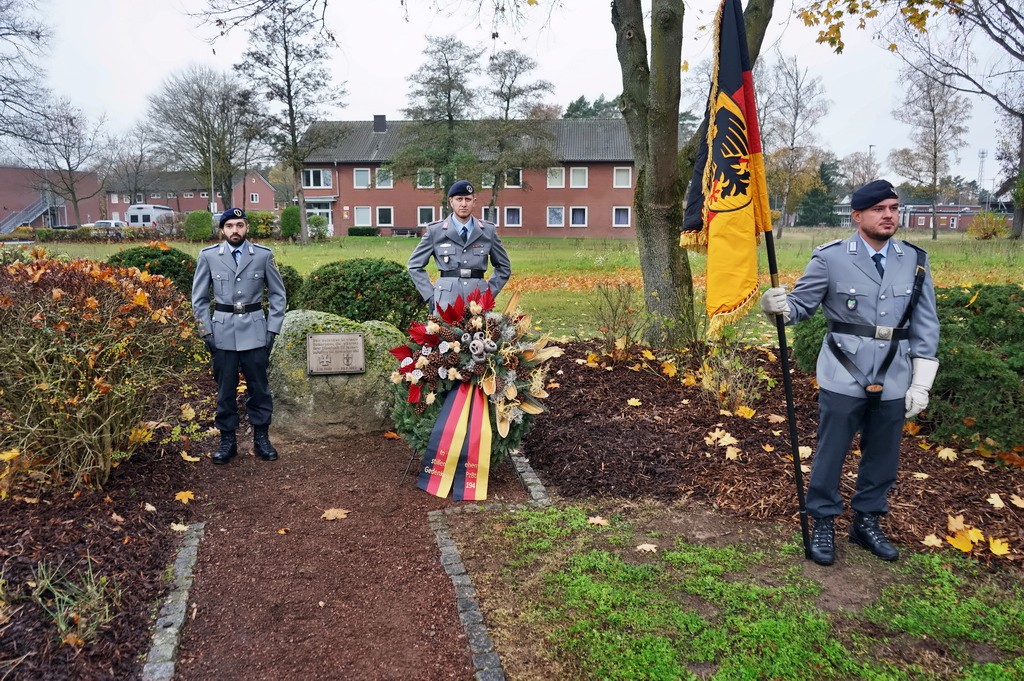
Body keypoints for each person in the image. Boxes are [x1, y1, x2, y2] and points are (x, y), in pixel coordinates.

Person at [760, 179, 940, 566]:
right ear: (857, 216)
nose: (888, 215)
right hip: (844, 371)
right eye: (879, 209)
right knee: (832, 451)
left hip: (894, 373)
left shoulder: (915, 260)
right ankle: (823, 520)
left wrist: (921, 383)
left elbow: (926, 325)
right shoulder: (831, 258)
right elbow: (800, 306)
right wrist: (776, 308)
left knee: (883, 455)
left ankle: (866, 522)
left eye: (893, 208)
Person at [192, 207, 287, 464]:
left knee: (259, 388)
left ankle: (261, 438)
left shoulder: (263, 256)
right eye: (230, 226)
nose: (235, 230)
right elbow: (199, 299)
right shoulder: (209, 256)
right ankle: (228, 441)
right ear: (222, 230)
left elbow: (278, 294)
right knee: (225, 390)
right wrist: (206, 331)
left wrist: (272, 329)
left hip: (256, 331)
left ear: (247, 228)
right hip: (222, 332)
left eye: (240, 225)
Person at [408, 179, 512, 313]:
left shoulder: (488, 231)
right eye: (459, 199)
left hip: (478, 301)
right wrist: (430, 296)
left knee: (479, 328)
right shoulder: (436, 231)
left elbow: (504, 267)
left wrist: (488, 295)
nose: (463, 204)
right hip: (445, 301)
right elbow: (414, 265)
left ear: (474, 202)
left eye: (468, 199)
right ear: (451, 201)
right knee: (444, 328)